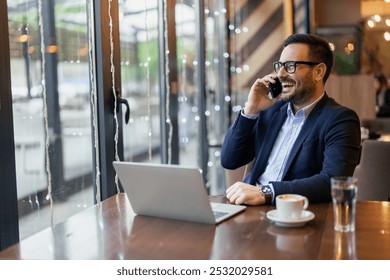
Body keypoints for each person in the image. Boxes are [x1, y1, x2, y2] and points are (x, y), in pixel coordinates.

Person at [221, 33, 361, 206]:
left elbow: (332, 181)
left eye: (290, 66)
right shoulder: (270, 112)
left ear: (318, 71)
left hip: (294, 215)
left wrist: (266, 192)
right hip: (247, 208)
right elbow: (229, 160)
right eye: (280, 66)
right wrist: (251, 109)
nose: (280, 74)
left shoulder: (341, 119)